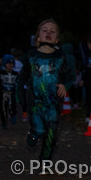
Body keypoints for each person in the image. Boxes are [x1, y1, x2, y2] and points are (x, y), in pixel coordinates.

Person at [19, 20, 72, 159]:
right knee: (40, 129)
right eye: (45, 30)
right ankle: (34, 133)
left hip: (54, 103)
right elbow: (22, 78)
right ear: (38, 37)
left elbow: (69, 76)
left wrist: (64, 85)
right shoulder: (30, 55)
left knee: (52, 134)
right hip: (35, 102)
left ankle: (45, 161)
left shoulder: (60, 56)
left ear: (57, 39)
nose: (48, 32)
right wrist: (21, 100)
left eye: (52, 31)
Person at [0, 55, 18, 128]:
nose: (10, 65)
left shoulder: (16, 74)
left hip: (12, 93)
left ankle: (13, 114)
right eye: (8, 63)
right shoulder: (1, 73)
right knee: (3, 108)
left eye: (12, 63)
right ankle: (4, 122)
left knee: (13, 106)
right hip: (3, 93)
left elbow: (19, 83)